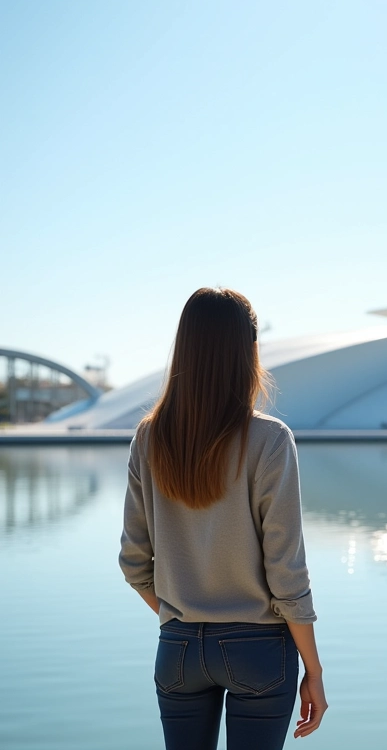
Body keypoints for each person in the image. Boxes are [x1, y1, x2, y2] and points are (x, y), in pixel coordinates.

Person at [119, 287, 327, 750]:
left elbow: (134, 564)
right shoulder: (270, 440)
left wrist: (183, 618)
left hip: (177, 650)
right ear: (249, 350)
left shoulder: (149, 437)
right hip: (258, 650)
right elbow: (286, 574)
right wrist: (313, 670)